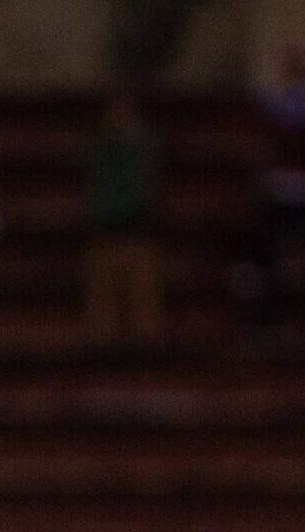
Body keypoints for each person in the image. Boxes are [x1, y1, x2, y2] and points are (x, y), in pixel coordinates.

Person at [247, 45, 305, 336]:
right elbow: (267, 150)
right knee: (271, 257)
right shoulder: (274, 107)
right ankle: (268, 321)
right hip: (279, 192)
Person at [85, 94, 167, 347]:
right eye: (113, 112)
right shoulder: (98, 153)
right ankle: (104, 349)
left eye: (124, 113)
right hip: (105, 231)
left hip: (136, 231)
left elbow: (148, 186)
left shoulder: (140, 151)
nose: (118, 119)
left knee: (143, 300)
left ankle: (147, 351)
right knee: (103, 304)